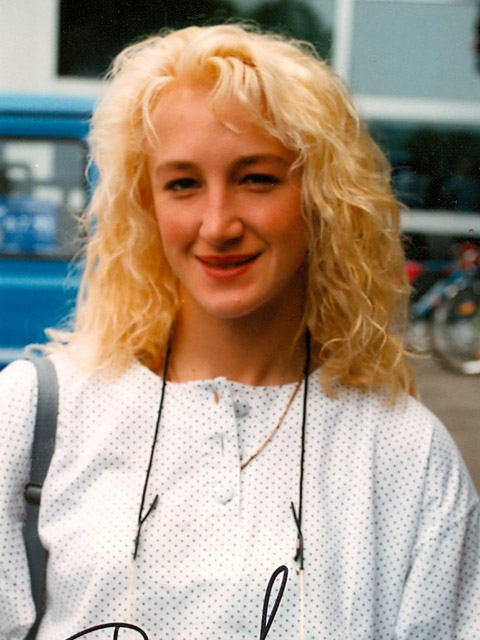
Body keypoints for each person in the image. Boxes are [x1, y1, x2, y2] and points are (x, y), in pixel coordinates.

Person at [1, 23, 479, 640]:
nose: (218, 224)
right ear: (147, 205)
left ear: (322, 198)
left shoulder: (405, 455)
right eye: (182, 184)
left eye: (257, 178)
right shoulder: (39, 416)